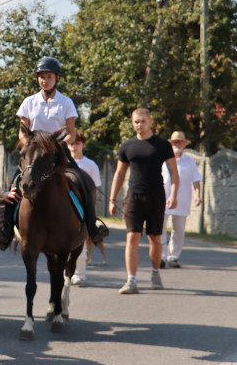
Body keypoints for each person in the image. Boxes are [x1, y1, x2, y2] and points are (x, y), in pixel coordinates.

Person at [0, 56, 105, 251]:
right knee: (15, 184)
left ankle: (92, 226)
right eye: (42, 77)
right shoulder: (29, 101)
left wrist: (57, 145)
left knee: (83, 179)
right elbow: (22, 130)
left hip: (57, 151)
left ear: (57, 78)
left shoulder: (66, 102)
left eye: (49, 76)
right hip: (34, 152)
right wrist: (30, 143)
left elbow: (71, 133)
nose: (45, 80)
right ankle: (7, 229)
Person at [108, 108, 179, 294]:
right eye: (136, 122)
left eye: (142, 121)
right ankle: (131, 280)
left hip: (156, 196)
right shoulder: (127, 146)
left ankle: (155, 272)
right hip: (133, 196)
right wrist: (112, 198)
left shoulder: (162, 145)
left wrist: (174, 194)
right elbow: (120, 173)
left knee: (155, 238)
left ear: (150, 122)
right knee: (132, 235)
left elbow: (173, 172)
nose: (139, 125)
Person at [161, 131, 203, 268]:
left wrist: (198, 194)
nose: (177, 144)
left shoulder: (190, 161)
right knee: (160, 229)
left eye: (180, 142)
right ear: (170, 144)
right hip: (163, 198)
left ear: (184, 145)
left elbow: (196, 180)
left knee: (178, 230)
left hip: (182, 199)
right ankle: (161, 256)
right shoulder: (162, 159)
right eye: (175, 142)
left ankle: (173, 256)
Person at [67, 130, 102, 286]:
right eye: (71, 144)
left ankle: (80, 273)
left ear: (83, 145)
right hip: (65, 207)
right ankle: (65, 271)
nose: (74, 147)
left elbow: (94, 190)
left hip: (82, 207)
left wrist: (91, 211)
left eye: (77, 144)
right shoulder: (63, 163)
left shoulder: (90, 165)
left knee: (81, 240)